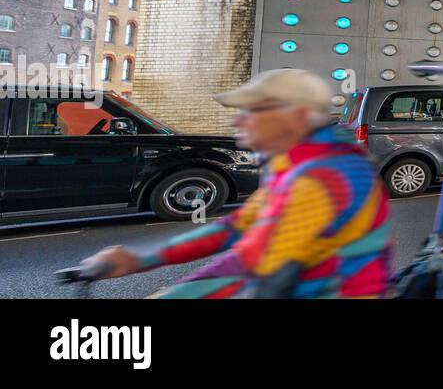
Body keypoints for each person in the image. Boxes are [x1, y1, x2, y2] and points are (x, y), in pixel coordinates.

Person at [79, 68, 393, 299]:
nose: (237, 120)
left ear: (294, 117)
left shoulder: (322, 176)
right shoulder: (298, 162)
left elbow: (258, 270)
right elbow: (235, 228)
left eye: (251, 110)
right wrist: (140, 259)